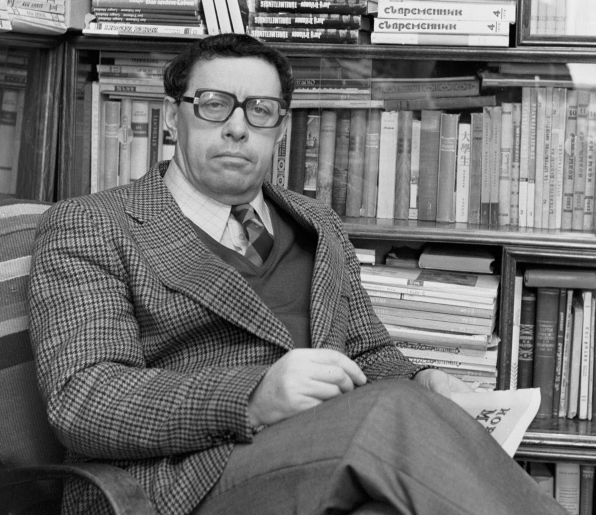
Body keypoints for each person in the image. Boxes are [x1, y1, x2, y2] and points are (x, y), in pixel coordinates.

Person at [29, 33, 566, 515]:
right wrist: (254, 395)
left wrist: (424, 380)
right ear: (173, 117)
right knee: (389, 414)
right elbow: (85, 399)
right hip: (182, 481)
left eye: (260, 110)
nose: (237, 127)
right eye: (214, 105)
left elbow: (367, 354)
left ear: (280, 128)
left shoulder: (317, 222)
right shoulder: (93, 224)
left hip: (328, 463)